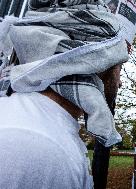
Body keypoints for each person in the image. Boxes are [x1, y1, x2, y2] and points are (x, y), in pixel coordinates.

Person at [0, 0, 128, 188]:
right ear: (96, 63)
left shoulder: (38, 127)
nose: (120, 82)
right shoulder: (37, 147)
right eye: (119, 68)